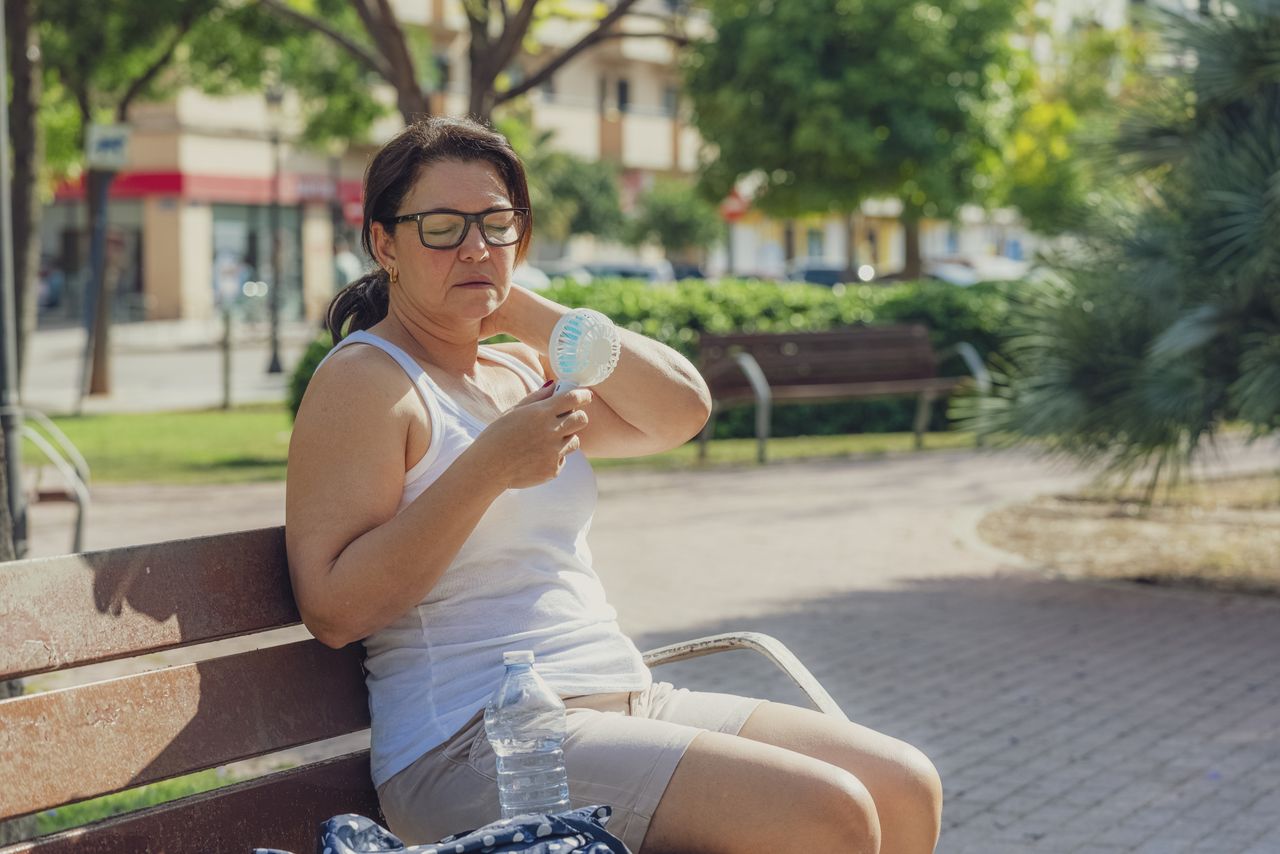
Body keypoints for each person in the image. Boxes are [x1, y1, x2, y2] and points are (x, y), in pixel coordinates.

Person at [286, 117, 942, 854]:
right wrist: (490, 469)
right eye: (440, 228)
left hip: (624, 700)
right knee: (827, 812)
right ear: (385, 244)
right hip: (472, 745)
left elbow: (680, 410)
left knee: (903, 783)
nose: (473, 246)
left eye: (497, 225)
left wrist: (523, 309)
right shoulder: (367, 381)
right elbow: (335, 609)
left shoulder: (517, 371)